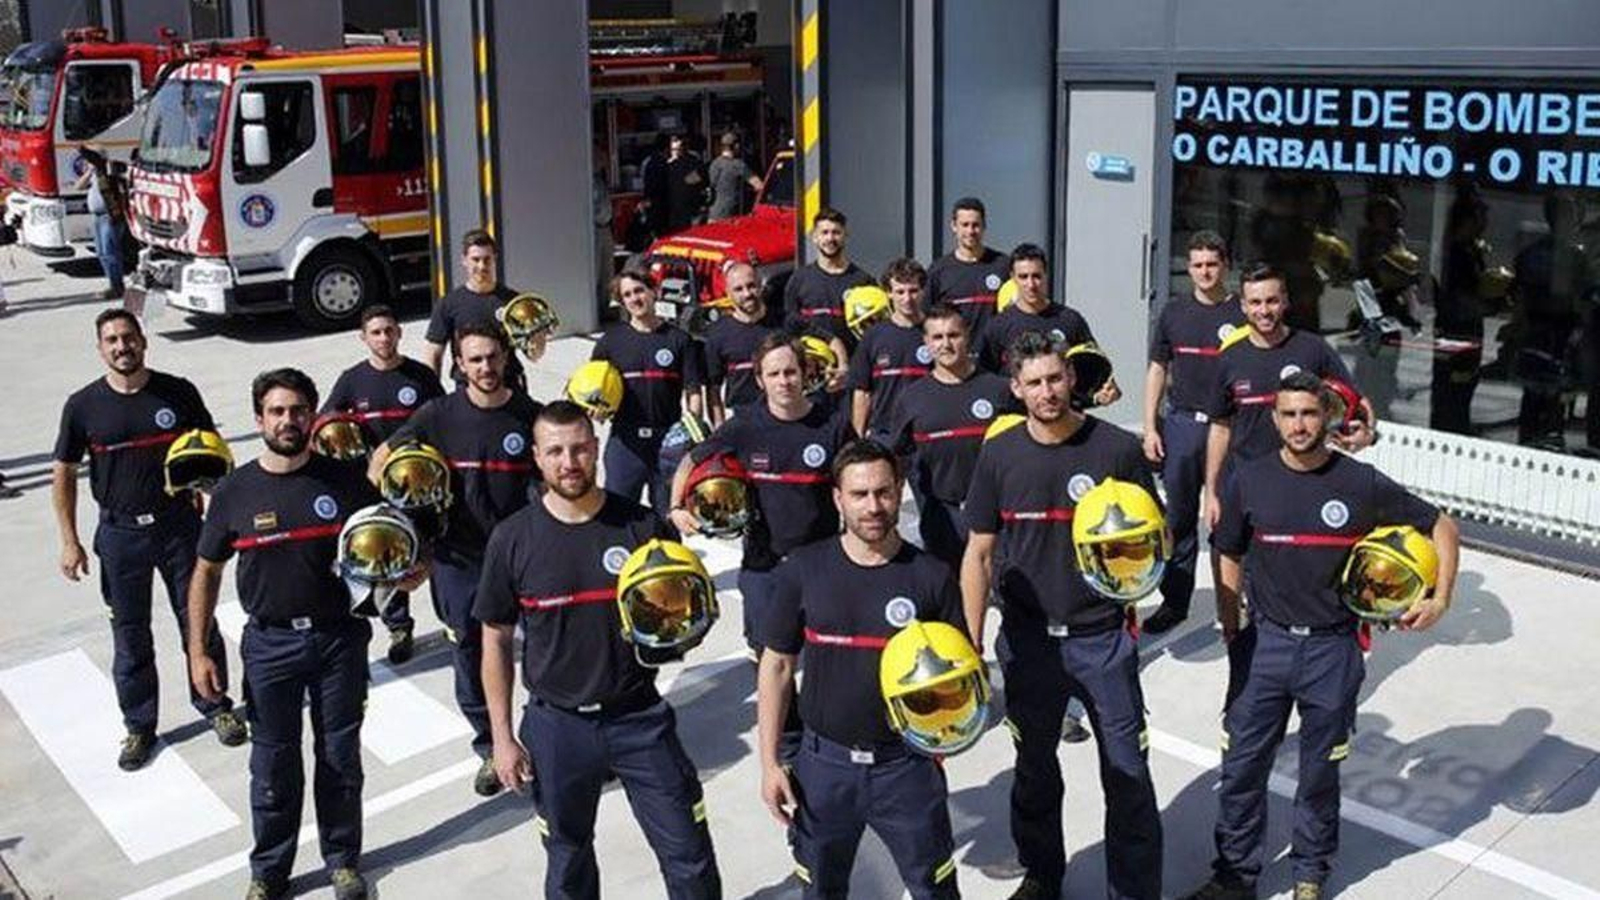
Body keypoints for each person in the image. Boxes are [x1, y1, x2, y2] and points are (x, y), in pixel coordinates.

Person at [1181, 372, 1459, 900]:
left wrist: (1440, 598)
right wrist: (1230, 623)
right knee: (1241, 769)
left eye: (1309, 413)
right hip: (1264, 646)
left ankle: (1309, 872)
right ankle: (1235, 876)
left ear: (1326, 416)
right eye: (1288, 414)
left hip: (1333, 649)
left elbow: (1442, 526)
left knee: (1318, 773)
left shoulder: (1360, 483)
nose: (1299, 424)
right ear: (1274, 418)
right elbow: (1229, 551)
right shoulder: (1249, 478)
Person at [478, 401, 721, 898]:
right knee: (568, 859)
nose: (570, 462)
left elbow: (683, 612)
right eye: (556, 451)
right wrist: (501, 737)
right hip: (557, 725)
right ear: (538, 458)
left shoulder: (641, 527)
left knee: (688, 851)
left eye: (580, 449)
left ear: (596, 449)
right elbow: (496, 640)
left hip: (639, 719)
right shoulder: (512, 540)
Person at [960, 331, 1163, 900]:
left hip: (1102, 640)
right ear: (1017, 389)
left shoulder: (1116, 450)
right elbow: (978, 553)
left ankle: (1135, 888)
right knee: (1034, 770)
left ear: (1072, 378)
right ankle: (1043, 877)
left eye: (1055, 379)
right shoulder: (998, 455)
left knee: (1127, 773)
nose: (1047, 391)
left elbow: (1155, 536)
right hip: (1028, 645)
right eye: (1035, 383)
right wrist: (972, 645)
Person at [187, 367, 395, 900]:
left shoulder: (346, 483)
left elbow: (385, 549)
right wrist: (197, 651)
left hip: (338, 640)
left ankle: (343, 861)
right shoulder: (234, 492)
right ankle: (270, 870)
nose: (288, 420)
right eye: (277, 412)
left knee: (339, 757)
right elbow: (205, 573)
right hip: (269, 645)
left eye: (297, 410)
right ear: (259, 420)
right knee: (273, 765)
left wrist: (407, 571)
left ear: (312, 415)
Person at [756, 440, 964, 899]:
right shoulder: (804, 570)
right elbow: (777, 667)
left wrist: (939, 738)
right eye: (860, 494)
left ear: (899, 491)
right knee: (822, 889)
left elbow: (960, 678)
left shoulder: (931, 577)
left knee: (935, 887)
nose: (873, 506)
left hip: (905, 768)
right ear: (838, 498)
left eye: (883, 493)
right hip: (823, 768)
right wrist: (770, 763)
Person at [51, 308, 245, 771]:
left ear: (143, 341)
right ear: (101, 349)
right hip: (119, 536)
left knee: (198, 623)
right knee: (130, 635)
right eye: (112, 340)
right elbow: (63, 473)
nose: (122, 347)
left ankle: (216, 705)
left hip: (179, 528)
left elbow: (212, 453)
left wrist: (209, 496)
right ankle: (139, 726)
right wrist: (69, 540)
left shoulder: (177, 393)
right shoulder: (83, 406)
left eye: (128, 337)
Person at [370, 324, 542, 798]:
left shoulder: (530, 416)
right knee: (469, 652)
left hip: (521, 558)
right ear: (459, 365)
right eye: (475, 360)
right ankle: (490, 746)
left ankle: (546, 739)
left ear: (505, 357)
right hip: (458, 560)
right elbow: (382, 460)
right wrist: (404, 535)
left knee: (548, 647)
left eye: (492, 357)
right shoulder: (436, 415)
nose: (485, 368)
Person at [669, 333, 855, 653]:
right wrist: (676, 507)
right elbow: (691, 459)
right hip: (763, 564)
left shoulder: (833, 426)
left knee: (824, 650)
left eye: (790, 372)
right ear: (760, 380)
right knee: (765, 650)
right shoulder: (744, 427)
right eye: (774, 374)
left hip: (820, 561)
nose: (784, 381)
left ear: (804, 372)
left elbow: (859, 479)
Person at [1203, 264, 1375, 536]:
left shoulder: (1313, 350)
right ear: (1244, 307)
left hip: (1304, 481)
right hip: (1245, 480)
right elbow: (1220, 428)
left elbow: (1358, 402)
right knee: (1231, 555)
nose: (1264, 310)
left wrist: (1367, 434)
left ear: (1285, 301)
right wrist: (1211, 491)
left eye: (1272, 300)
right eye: (1256, 302)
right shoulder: (1229, 358)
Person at [321, 304, 445, 663]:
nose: (384, 338)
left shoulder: (420, 377)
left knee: (434, 549)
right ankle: (399, 626)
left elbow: (442, 420)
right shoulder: (352, 380)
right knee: (388, 553)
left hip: (419, 484)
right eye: (376, 332)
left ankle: (452, 616)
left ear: (399, 333)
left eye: (389, 330)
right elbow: (328, 421)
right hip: (374, 485)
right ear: (363, 337)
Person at [1140, 231, 1246, 635]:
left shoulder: (1242, 313)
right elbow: (1157, 369)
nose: (1204, 272)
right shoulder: (1173, 313)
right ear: (1189, 268)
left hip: (1231, 430)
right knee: (1179, 520)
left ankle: (1236, 604)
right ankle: (1175, 602)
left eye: (1212, 264)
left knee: (1232, 519)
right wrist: (1151, 426)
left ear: (1226, 266)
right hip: (1183, 426)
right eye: (1198, 265)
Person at [884, 303, 1016, 566]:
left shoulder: (1000, 390)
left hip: (999, 517)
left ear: (967, 335)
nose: (946, 344)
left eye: (953, 335)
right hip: (943, 517)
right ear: (926, 343)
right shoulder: (911, 398)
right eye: (937, 337)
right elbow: (896, 459)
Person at [592, 269, 705, 511]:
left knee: (669, 516)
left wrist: (691, 432)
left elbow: (693, 391)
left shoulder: (679, 340)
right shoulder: (610, 342)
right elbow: (593, 388)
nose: (635, 298)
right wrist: (596, 409)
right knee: (618, 513)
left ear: (653, 292)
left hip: (667, 442)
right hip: (626, 443)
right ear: (622, 302)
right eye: (627, 295)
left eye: (639, 290)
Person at [974, 245, 1122, 408]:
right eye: (1023, 277)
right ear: (1012, 278)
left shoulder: (1070, 320)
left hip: (1063, 420)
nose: (1031, 284)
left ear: (1046, 275)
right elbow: (984, 380)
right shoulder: (998, 326)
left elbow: (1095, 370)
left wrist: (1104, 393)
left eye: (1036, 276)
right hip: (1016, 419)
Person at [421, 229, 530, 392]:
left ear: (495, 259)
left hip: (509, 385)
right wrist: (432, 392)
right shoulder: (448, 304)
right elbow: (434, 353)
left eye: (487, 259)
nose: (482, 266)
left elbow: (532, 353)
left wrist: (538, 341)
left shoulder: (514, 301)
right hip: (468, 388)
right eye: (475, 259)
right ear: (464, 260)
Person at [848, 258, 930, 442]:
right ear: (888, 294)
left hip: (925, 432)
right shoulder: (874, 336)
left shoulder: (936, 332)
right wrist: (857, 438)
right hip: (884, 434)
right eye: (900, 292)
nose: (907, 299)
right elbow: (862, 392)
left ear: (923, 291)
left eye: (913, 291)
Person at [703, 261, 783, 424]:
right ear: (728, 293)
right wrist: (719, 426)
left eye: (751, 286)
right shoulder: (718, 334)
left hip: (782, 414)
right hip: (741, 418)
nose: (747, 293)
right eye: (738, 289)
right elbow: (713, 387)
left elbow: (825, 339)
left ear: (761, 285)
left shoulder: (784, 323)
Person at [783, 207, 876, 349]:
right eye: (824, 233)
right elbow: (791, 325)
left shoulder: (863, 281)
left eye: (836, 233)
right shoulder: (799, 279)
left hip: (852, 364)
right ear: (815, 237)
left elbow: (873, 329)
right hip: (812, 365)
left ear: (846, 235)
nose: (830, 238)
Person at [925, 197, 1010, 341]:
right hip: (955, 359)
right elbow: (927, 317)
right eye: (965, 225)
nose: (970, 231)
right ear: (953, 226)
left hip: (994, 358)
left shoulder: (1002, 265)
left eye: (975, 225)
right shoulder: (939, 270)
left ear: (984, 226)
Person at [73, 146, 128, 300]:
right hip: (97, 217)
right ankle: (113, 284)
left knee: (110, 252)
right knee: (101, 252)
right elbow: (78, 187)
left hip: (109, 216)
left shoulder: (106, 170)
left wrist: (80, 147)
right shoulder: (95, 173)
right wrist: (89, 172)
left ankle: (117, 286)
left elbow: (95, 158)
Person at [707, 131, 763, 222]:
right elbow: (760, 186)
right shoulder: (738, 165)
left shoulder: (714, 163)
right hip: (730, 216)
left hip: (713, 214)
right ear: (736, 146)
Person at [664, 134, 709, 232]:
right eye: (673, 150)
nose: (675, 152)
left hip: (688, 209)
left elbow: (699, 180)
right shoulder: (669, 166)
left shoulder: (692, 163)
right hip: (678, 210)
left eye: (677, 149)